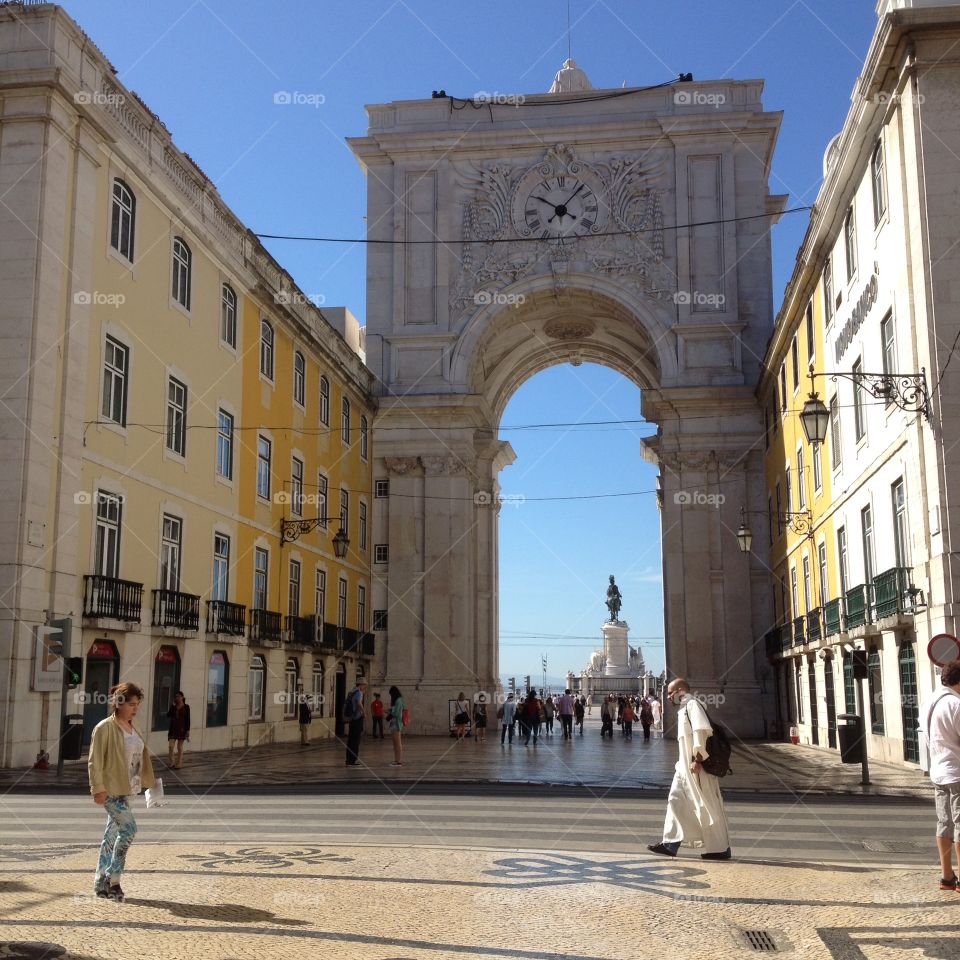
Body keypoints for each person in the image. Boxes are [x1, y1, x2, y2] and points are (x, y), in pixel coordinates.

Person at [648, 678, 731, 861]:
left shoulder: (693, 705)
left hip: (696, 768)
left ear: (680, 691)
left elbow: (702, 732)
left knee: (706, 805)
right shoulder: (684, 709)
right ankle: (670, 843)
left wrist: (698, 759)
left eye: (670, 693)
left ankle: (720, 848)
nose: (668, 697)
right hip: (684, 768)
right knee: (675, 800)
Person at [88, 681, 156, 902]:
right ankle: (113, 879)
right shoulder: (104, 728)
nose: (136, 709)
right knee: (129, 829)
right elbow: (94, 761)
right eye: (132, 704)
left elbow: (138, 758)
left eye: (138, 704)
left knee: (110, 836)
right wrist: (97, 789)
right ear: (119, 704)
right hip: (110, 790)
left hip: (128, 788)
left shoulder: (134, 728)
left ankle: (100, 882)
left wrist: (148, 782)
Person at [923, 659, 960, 890]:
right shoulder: (955, 705)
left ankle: (946, 876)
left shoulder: (929, 702)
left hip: (938, 771)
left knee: (944, 823)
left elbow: (927, 739)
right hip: (957, 773)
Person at [344, 678, 367, 766]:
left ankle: (348, 759)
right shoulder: (359, 692)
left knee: (350, 740)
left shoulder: (352, 691)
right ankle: (353, 760)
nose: (365, 687)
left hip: (352, 718)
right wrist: (364, 712)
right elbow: (359, 703)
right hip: (357, 718)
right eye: (364, 685)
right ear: (361, 685)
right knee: (356, 740)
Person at [166, 691, 190, 769]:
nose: (177, 698)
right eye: (176, 696)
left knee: (179, 747)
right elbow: (168, 715)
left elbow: (188, 719)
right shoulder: (174, 706)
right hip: (173, 728)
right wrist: (172, 706)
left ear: (182, 697)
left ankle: (179, 763)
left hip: (182, 729)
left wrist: (187, 730)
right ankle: (171, 762)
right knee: (171, 746)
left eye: (179, 696)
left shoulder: (186, 707)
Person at [387, 685, 405, 765]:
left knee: (397, 742)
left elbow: (397, 713)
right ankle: (396, 760)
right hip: (394, 723)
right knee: (395, 742)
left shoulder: (398, 700)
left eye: (391, 694)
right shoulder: (398, 701)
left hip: (397, 723)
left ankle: (398, 761)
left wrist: (389, 712)